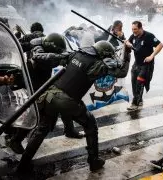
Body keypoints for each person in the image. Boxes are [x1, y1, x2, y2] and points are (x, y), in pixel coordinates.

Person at [15, 40, 131, 173]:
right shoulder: (97, 64)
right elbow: (122, 72)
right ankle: (94, 162)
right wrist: (127, 53)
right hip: (67, 100)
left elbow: (51, 57)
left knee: (42, 130)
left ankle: (22, 165)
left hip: (48, 95)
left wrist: (37, 49)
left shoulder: (76, 54)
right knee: (90, 125)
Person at [125, 21, 163, 110]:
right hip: (137, 64)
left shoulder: (148, 36)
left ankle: (135, 103)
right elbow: (128, 44)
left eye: (135, 29)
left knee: (139, 82)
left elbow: (160, 45)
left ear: (140, 28)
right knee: (134, 82)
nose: (133, 31)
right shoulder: (133, 36)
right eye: (132, 29)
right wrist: (127, 44)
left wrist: (151, 56)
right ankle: (139, 99)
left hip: (146, 64)